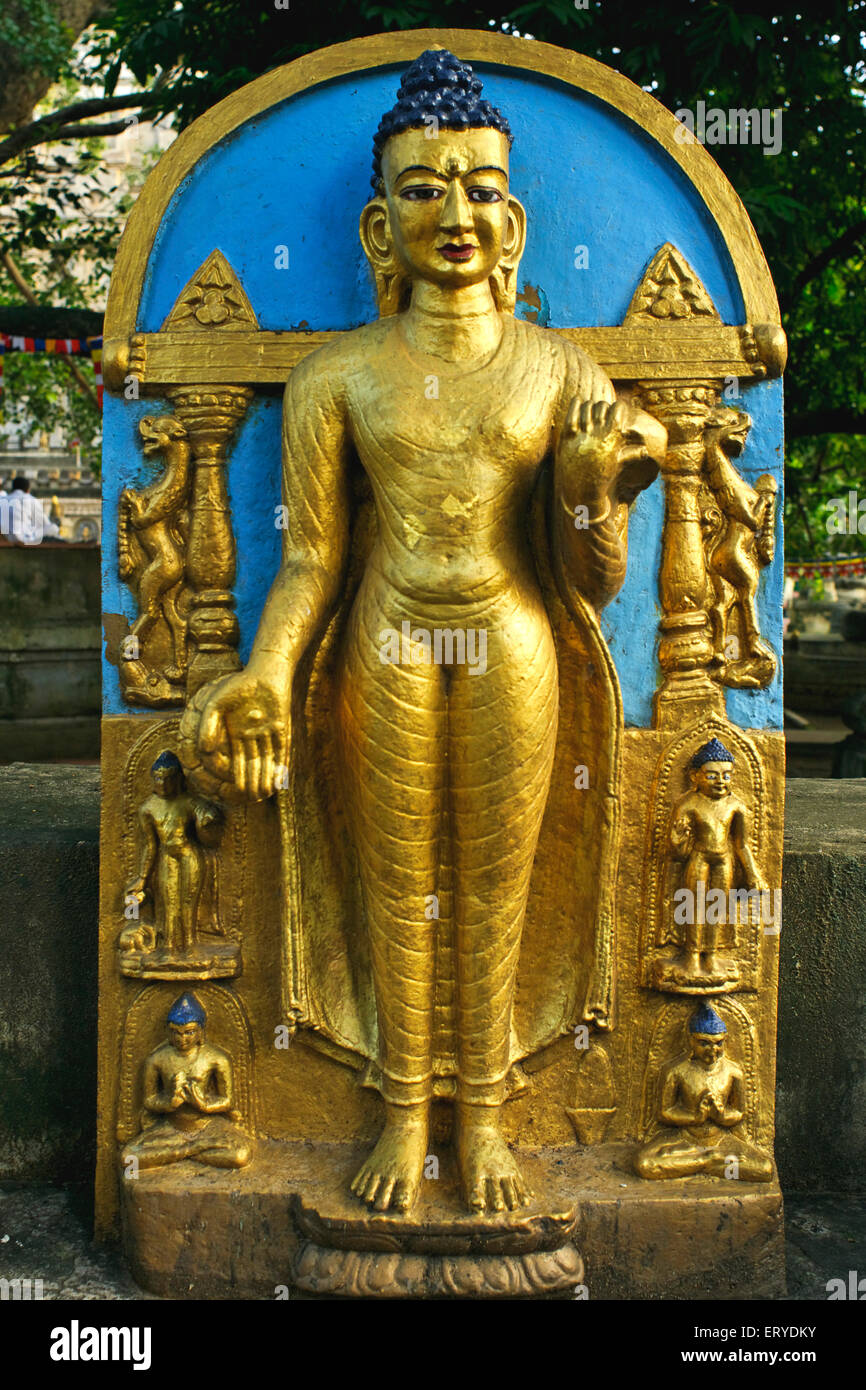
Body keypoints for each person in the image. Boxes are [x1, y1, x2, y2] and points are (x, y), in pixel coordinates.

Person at [188, 50, 666, 1214]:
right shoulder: (336, 378)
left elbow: (587, 584)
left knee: (493, 887)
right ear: (375, 222)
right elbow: (311, 558)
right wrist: (262, 670)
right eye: (420, 188)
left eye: (477, 188)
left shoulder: (560, 371)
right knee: (396, 884)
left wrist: (593, 487)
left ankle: (489, 1120)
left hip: (509, 640)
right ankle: (404, 1114)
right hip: (386, 638)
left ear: (512, 221)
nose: (452, 212)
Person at [634, 1001, 772, 1181]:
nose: (712, 1050)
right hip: (685, 1138)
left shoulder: (733, 1072)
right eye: (704, 1043)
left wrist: (720, 1115)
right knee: (645, 1165)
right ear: (691, 1040)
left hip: (720, 1139)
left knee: (764, 1169)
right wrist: (695, 1117)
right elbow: (664, 1113)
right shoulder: (676, 1071)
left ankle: (696, 1165)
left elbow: (739, 1112)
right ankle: (707, 1162)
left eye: (718, 1043)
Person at [121, 992, 251, 1170]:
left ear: (200, 1031)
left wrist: (204, 1105)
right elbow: (149, 1101)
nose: (182, 1039)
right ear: (168, 1031)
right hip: (172, 1127)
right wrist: (169, 1103)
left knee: (241, 1156)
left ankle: (176, 1154)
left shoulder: (216, 1059)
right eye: (176, 1032)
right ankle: (194, 1150)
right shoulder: (157, 1060)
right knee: (129, 1158)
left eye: (189, 1032)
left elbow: (227, 1101)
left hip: (206, 1125)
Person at [1, 476, 63, 545]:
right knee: (53, 528)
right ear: (28, 490)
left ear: (13, 488)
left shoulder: (2, 500)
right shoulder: (30, 500)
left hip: (5, 538)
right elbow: (45, 523)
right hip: (24, 539)